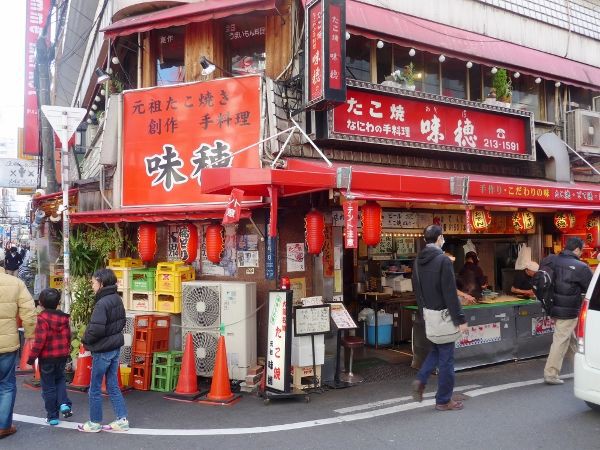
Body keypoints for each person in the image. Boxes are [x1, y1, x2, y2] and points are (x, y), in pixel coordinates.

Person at [411, 225, 468, 411]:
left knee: (436, 350)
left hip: (429, 316)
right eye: (442, 237)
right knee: (446, 359)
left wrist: (423, 314)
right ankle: (444, 400)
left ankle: (421, 379)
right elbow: (450, 294)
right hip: (444, 317)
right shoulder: (443, 261)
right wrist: (460, 319)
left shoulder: (418, 261)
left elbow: (417, 291)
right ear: (439, 238)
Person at [79, 268, 128, 433]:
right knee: (113, 385)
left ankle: (94, 422)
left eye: (93, 282)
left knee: (95, 387)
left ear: (101, 283)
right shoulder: (116, 298)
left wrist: (85, 340)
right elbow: (121, 322)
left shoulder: (102, 302)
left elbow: (96, 329)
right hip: (114, 346)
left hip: (102, 349)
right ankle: (122, 419)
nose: (92, 286)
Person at [542, 237, 593, 385]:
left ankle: (580, 367)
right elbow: (590, 288)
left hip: (552, 307)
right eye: (581, 250)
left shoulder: (551, 260)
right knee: (561, 340)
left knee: (570, 339)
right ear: (577, 250)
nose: (581, 253)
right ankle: (551, 373)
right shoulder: (581, 267)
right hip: (568, 310)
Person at [27, 288, 73, 425]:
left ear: (41, 303)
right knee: (60, 380)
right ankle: (64, 403)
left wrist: (31, 358)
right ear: (58, 303)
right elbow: (68, 336)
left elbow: (40, 341)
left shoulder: (42, 319)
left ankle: (52, 416)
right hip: (62, 356)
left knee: (48, 387)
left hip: (47, 358)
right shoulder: (64, 318)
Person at [0, 268, 36, 439]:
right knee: (6, 385)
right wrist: (30, 335)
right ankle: (3, 427)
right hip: (7, 344)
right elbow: (29, 313)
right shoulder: (15, 283)